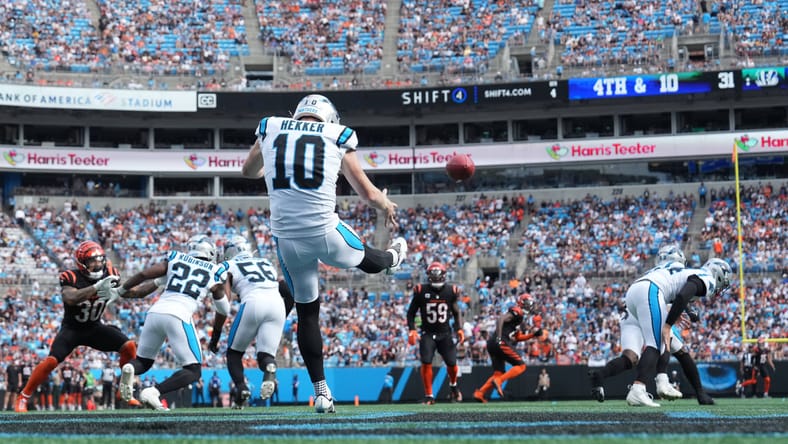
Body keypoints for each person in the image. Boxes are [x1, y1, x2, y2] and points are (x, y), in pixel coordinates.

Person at [241, 93, 407, 414]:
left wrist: (271, 170)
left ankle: (321, 393)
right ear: (330, 118)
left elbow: (248, 171)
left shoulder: (271, 126)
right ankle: (393, 260)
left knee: (307, 313)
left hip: (287, 239)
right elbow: (368, 193)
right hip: (324, 231)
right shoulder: (338, 134)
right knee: (368, 259)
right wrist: (385, 203)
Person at [14, 241, 145, 412]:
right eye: (92, 261)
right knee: (51, 361)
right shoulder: (71, 277)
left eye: (99, 260)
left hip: (94, 328)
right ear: (82, 264)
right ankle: (23, 396)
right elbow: (70, 298)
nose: (97, 264)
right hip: (72, 329)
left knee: (129, 347)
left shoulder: (110, 274)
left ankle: (124, 390)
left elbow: (133, 293)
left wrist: (158, 284)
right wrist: (97, 287)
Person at [589, 250, 732, 407]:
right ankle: (640, 388)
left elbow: (678, 291)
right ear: (718, 274)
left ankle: (662, 382)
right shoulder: (707, 279)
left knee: (653, 347)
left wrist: (686, 311)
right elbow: (683, 296)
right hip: (651, 292)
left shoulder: (674, 269)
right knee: (658, 342)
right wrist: (668, 324)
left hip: (634, 294)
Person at [104, 235, 230, 411]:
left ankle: (129, 368)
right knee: (193, 370)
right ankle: (154, 391)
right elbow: (224, 309)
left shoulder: (175, 259)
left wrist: (121, 291)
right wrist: (215, 334)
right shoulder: (216, 271)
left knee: (143, 361)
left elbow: (143, 276)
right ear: (210, 253)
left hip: (155, 313)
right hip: (179, 315)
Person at [221, 234, 295, 409]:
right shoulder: (265, 263)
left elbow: (225, 299)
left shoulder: (228, 265)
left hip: (253, 302)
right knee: (265, 356)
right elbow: (287, 290)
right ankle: (270, 367)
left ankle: (241, 389)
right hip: (276, 303)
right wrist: (281, 316)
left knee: (234, 354)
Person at [406, 261, 465, 404]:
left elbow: (457, 312)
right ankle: (429, 396)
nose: (436, 278)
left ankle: (453, 386)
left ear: (444, 275)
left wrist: (459, 328)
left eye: (438, 275)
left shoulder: (451, 291)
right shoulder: (421, 291)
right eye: (433, 275)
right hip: (427, 333)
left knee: (452, 363)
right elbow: (411, 313)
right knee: (426, 362)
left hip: (445, 333)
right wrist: (412, 329)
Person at [473, 294, 544, 403]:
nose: (530, 306)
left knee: (498, 373)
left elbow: (517, 338)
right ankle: (499, 381)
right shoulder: (517, 311)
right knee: (521, 366)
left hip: (493, 343)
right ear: (522, 303)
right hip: (500, 341)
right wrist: (500, 337)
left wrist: (532, 335)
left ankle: (480, 393)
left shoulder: (519, 317)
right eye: (528, 304)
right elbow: (500, 319)